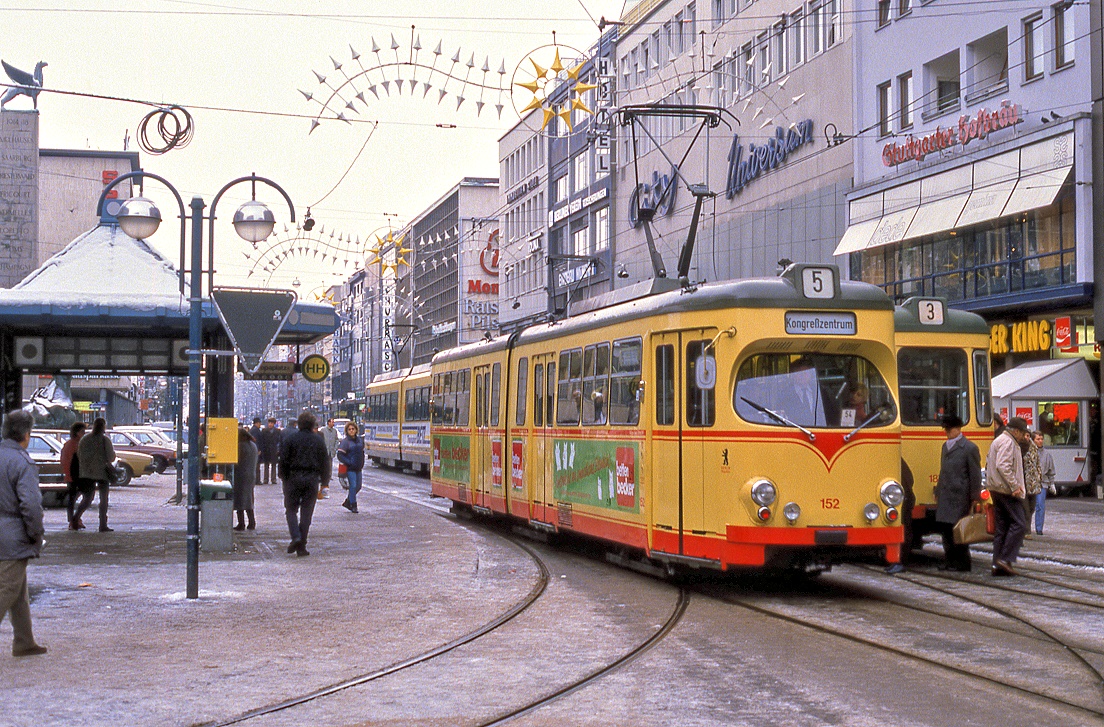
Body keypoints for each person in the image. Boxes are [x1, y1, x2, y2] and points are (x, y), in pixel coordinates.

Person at [0, 410, 47, 657]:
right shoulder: (22, 462)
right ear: (26, 434)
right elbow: (30, 504)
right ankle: (24, 641)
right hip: (12, 536)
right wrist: (36, 534)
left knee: (18, 591)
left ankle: (24, 640)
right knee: (7, 588)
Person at [932, 413, 983, 572]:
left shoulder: (969, 448)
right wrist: (938, 490)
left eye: (949, 429)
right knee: (946, 531)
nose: (947, 432)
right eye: (946, 429)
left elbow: (975, 474)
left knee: (959, 531)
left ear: (958, 429)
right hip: (946, 495)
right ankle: (949, 560)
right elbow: (943, 471)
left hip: (960, 496)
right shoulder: (945, 446)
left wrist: (975, 497)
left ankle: (962, 562)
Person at [278, 411, 330, 557]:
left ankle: (295, 536)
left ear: (299, 424)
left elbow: (283, 460)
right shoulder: (318, 441)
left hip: (293, 478)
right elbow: (325, 463)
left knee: (291, 510)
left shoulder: (290, 439)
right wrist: (324, 482)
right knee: (307, 512)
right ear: (312, 424)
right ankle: (302, 545)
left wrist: (283, 477)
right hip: (312, 479)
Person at [986, 416, 1029, 576]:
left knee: (1002, 527)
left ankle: (997, 565)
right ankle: (1005, 559)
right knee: (1019, 524)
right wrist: (1014, 485)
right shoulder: (1008, 442)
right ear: (1016, 431)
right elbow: (1003, 465)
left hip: (996, 489)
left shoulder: (1000, 439)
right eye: (1022, 433)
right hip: (1006, 490)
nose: (1024, 436)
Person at [77, 418, 115, 533]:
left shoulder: (85, 439)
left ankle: (75, 518)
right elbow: (111, 458)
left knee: (88, 498)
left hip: (87, 473)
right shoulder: (105, 440)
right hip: (102, 473)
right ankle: (102, 524)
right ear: (104, 426)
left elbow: (80, 455)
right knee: (104, 500)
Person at [61, 422, 94, 531]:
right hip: (77, 476)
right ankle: (74, 520)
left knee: (73, 499)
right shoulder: (74, 445)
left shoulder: (74, 444)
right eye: (82, 431)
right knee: (84, 497)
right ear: (76, 432)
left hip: (77, 476)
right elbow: (69, 461)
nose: (84, 433)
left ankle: (74, 520)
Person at [885, 459, 915, 575]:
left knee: (904, 531)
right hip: (903, 498)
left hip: (902, 499)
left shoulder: (894, 462)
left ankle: (900, 562)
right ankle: (898, 562)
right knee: (905, 529)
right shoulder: (899, 461)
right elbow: (910, 478)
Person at [336, 421, 365, 514]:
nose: (351, 431)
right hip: (350, 468)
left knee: (358, 486)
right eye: (349, 429)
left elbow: (362, 452)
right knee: (352, 486)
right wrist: (349, 462)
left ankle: (348, 501)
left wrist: (362, 462)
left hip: (358, 467)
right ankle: (353, 505)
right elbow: (340, 455)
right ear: (347, 431)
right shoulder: (345, 442)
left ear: (356, 430)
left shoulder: (360, 440)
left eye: (353, 429)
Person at [233, 428, 258, 531]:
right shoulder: (253, 445)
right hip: (251, 475)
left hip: (240, 475)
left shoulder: (240, 446)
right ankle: (251, 522)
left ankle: (241, 523)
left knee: (239, 499)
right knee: (248, 498)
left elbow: (236, 461)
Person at [1034, 431, 1056, 535]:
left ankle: (1039, 529)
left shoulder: (1047, 454)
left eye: (1041, 439)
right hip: (1031, 483)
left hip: (1043, 482)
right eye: (1038, 439)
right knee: (1029, 507)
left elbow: (1051, 470)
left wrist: (1051, 483)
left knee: (1040, 505)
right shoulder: (1029, 453)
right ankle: (1026, 529)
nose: (1040, 441)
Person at [1022, 428, 1042, 537]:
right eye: (1025, 435)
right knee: (1025, 508)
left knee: (1032, 507)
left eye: (1028, 436)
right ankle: (1026, 531)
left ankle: (1026, 529)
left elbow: (1037, 462)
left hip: (1033, 482)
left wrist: (1039, 475)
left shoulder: (1034, 447)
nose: (1026, 438)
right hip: (1022, 482)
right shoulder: (1019, 447)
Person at [257, 418, 281, 485]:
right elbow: (262, 440)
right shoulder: (264, 431)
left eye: (271, 423)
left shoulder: (277, 431)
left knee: (274, 464)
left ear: (274, 424)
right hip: (266, 450)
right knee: (266, 465)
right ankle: (266, 479)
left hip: (274, 450)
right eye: (269, 423)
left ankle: (273, 479)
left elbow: (279, 440)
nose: (270, 424)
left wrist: (278, 449)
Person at [320, 418, 339, 494]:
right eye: (332, 422)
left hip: (331, 451)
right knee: (324, 465)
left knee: (330, 464)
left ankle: (329, 476)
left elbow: (336, 440)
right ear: (328, 423)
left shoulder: (334, 431)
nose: (333, 423)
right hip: (324, 451)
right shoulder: (323, 430)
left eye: (333, 422)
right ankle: (323, 476)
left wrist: (335, 448)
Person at [248, 417, 263, 484]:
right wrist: (258, 449)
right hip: (255, 450)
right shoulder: (255, 430)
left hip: (253, 449)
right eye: (259, 423)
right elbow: (256, 441)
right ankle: (257, 480)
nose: (260, 424)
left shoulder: (252, 430)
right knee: (256, 466)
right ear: (257, 423)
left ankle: (256, 480)